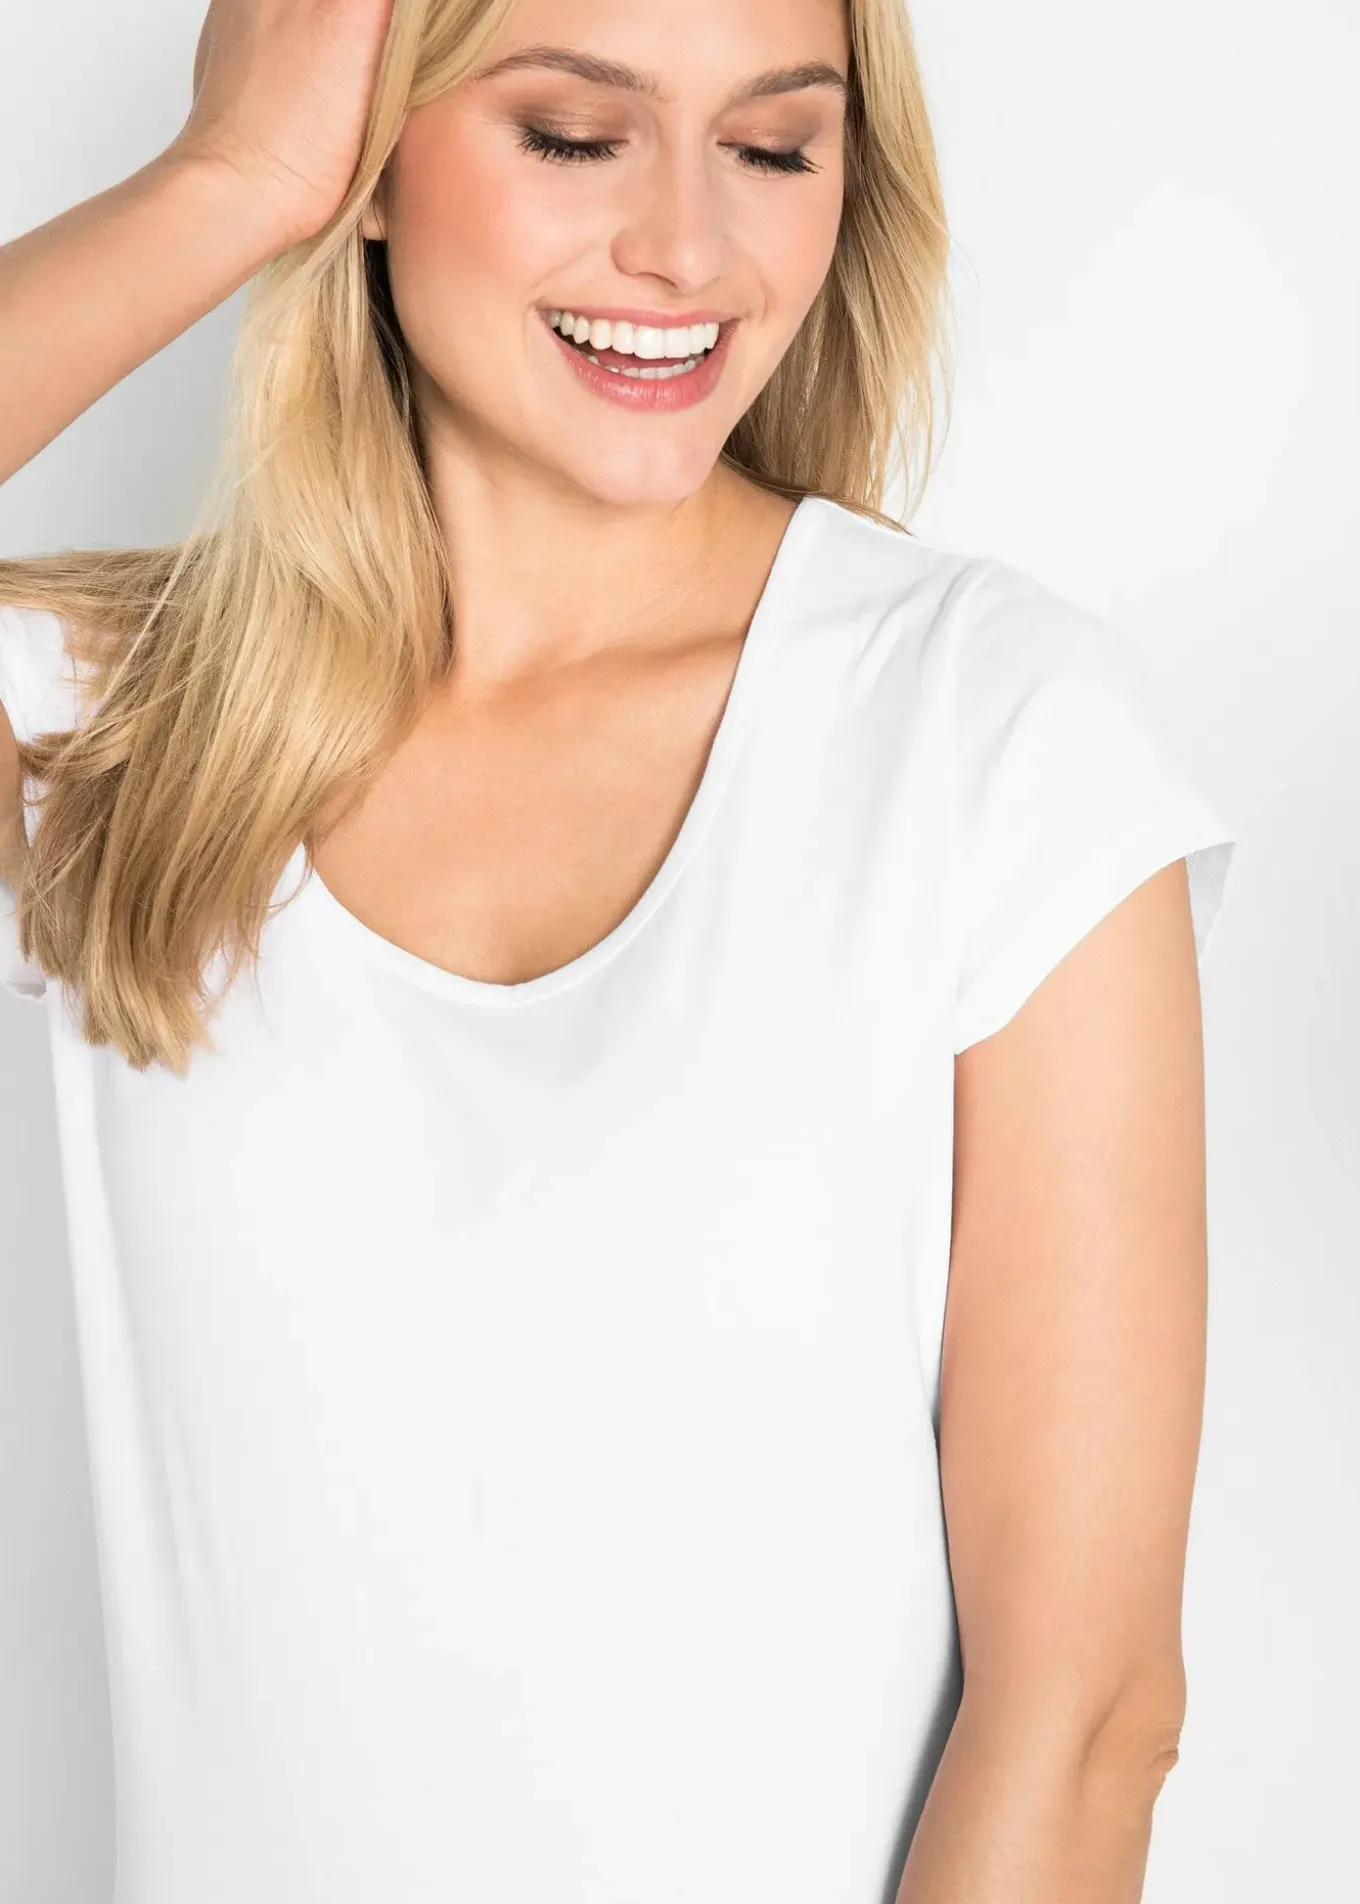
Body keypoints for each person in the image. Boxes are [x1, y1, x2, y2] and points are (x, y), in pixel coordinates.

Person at [0, 0, 1238, 1899]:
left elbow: (1080, 1722)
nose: (688, 247)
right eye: (575, 135)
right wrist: (225, 180)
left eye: (773, 147)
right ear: (372, 162)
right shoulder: (119, 740)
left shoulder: (987, 734)